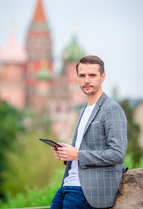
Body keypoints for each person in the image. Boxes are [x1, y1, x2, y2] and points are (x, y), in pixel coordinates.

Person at [50, 55, 127, 209]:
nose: (86, 80)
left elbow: (118, 154)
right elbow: (85, 149)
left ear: (102, 77)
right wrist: (67, 154)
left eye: (92, 75)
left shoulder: (111, 108)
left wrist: (77, 154)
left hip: (87, 192)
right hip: (67, 186)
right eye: (82, 76)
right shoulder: (83, 110)